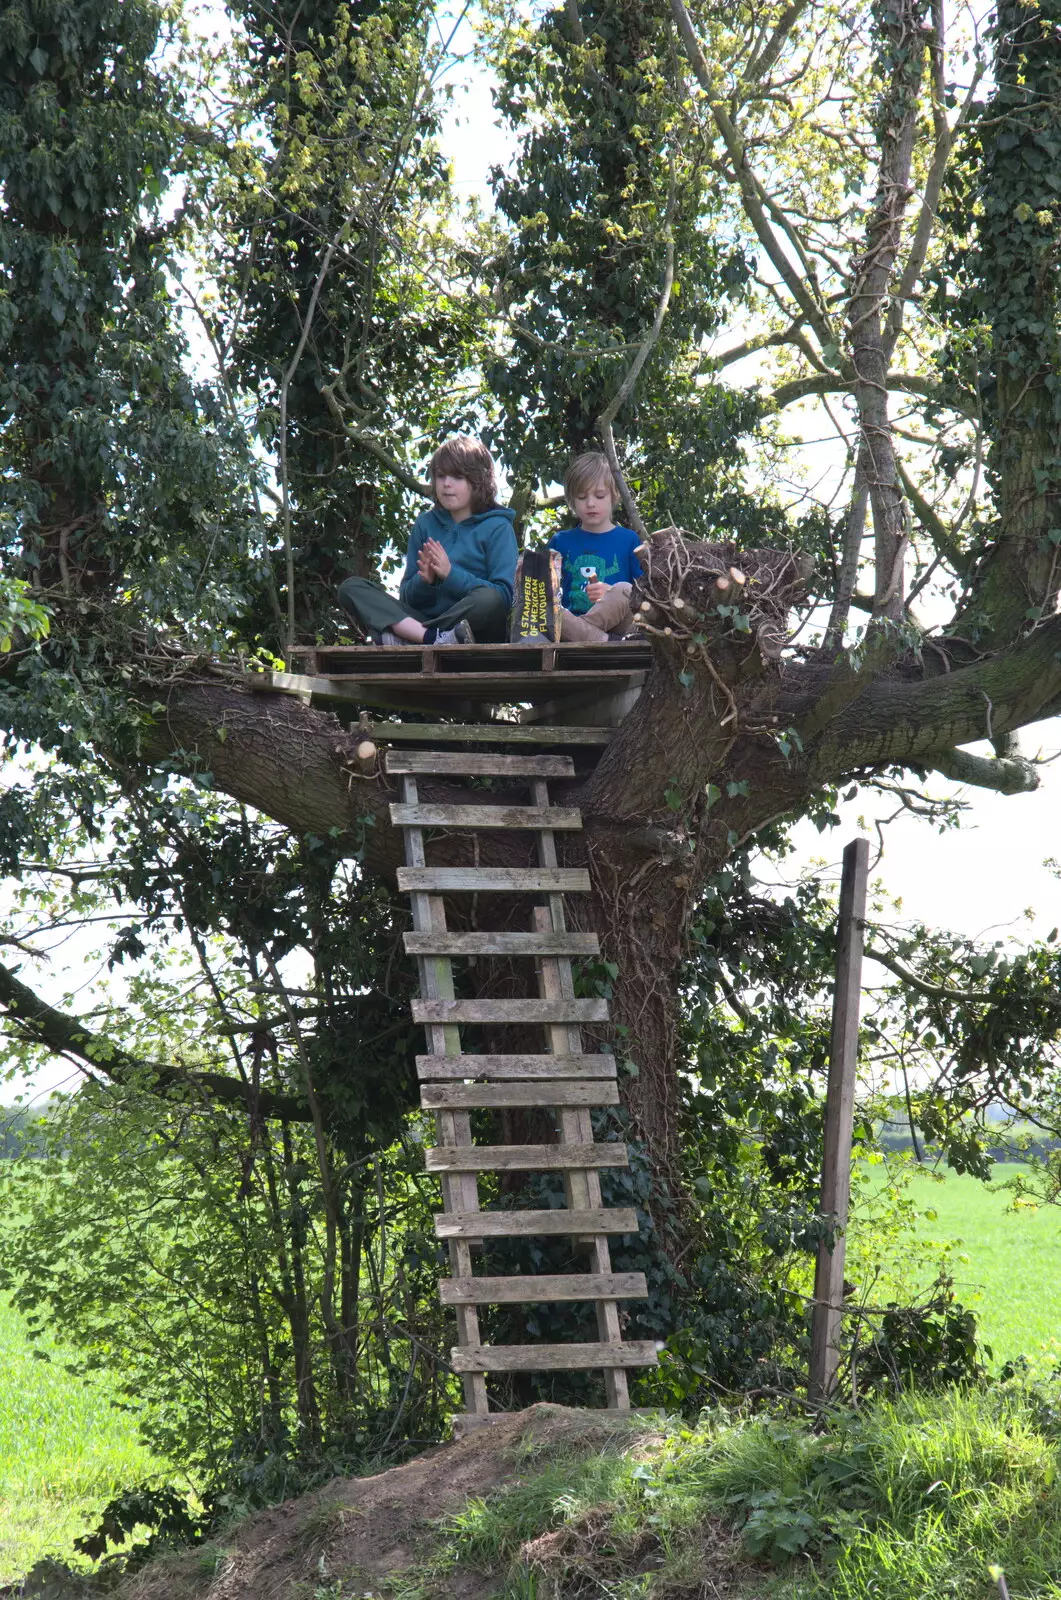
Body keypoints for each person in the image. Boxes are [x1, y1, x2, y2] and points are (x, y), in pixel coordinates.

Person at [338, 438, 517, 644]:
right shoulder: (425, 524)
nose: (446, 484)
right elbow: (406, 597)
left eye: (457, 476)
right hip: (425, 624)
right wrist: (425, 581)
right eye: (440, 476)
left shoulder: (498, 527)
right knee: (351, 588)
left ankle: (415, 636)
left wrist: (450, 575)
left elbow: (504, 598)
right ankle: (430, 638)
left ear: (478, 481)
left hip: (476, 633)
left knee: (490, 598)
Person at [548, 452, 644, 642]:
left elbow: (645, 598)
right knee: (548, 609)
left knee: (624, 589)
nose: (591, 503)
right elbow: (549, 594)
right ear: (571, 500)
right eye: (582, 497)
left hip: (619, 627)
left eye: (599, 496)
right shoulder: (560, 542)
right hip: (574, 623)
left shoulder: (629, 540)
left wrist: (610, 592)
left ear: (614, 495)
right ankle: (600, 640)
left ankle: (583, 635)